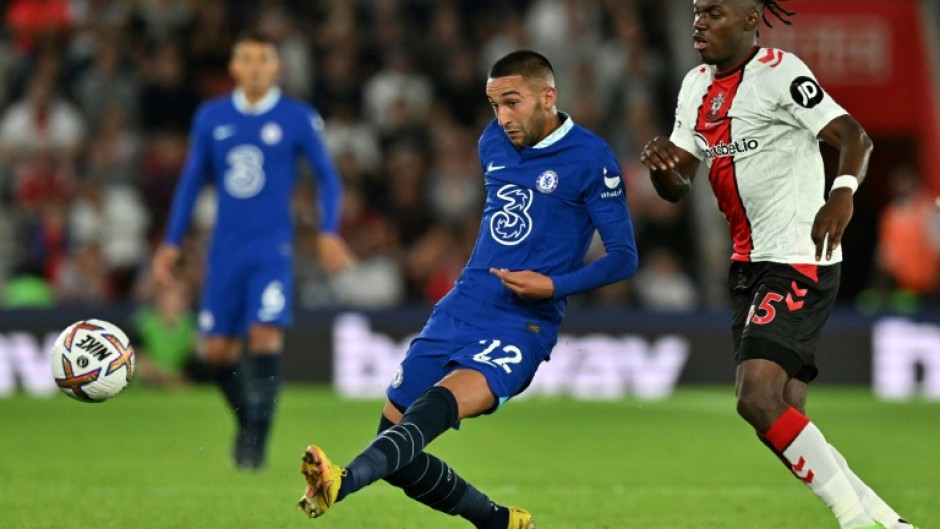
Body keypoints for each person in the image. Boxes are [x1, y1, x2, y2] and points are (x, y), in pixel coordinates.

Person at [297, 50, 638, 529]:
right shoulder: (493, 143)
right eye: (495, 104)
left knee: (432, 410)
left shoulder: (591, 156)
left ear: (548, 96)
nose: (502, 117)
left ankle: (342, 481)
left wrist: (554, 285)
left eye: (512, 102)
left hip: (522, 323)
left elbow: (624, 255)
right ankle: (501, 523)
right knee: (398, 453)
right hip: (461, 306)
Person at [639, 2, 918, 529]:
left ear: (750, 21)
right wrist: (661, 171)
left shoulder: (780, 72)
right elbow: (679, 187)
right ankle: (885, 519)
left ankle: (855, 522)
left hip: (797, 256)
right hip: (747, 264)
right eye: (697, 12)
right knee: (783, 413)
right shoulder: (694, 86)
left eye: (714, 13)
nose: (699, 22)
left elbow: (855, 136)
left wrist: (842, 194)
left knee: (756, 397)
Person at [152, 31, 353, 470]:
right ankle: (248, 421)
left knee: (264, 334)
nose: (256, 66)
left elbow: (327, 176)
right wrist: (170, 241)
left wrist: (328, 229)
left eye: (264, 58)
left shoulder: (297, 117)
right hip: (224, 250)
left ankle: (255, 444)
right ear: (234, 67)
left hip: (271, 248)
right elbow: (191, 181)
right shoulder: (212, 116)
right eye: (247, 58)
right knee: (218, 352)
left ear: (277, 67)